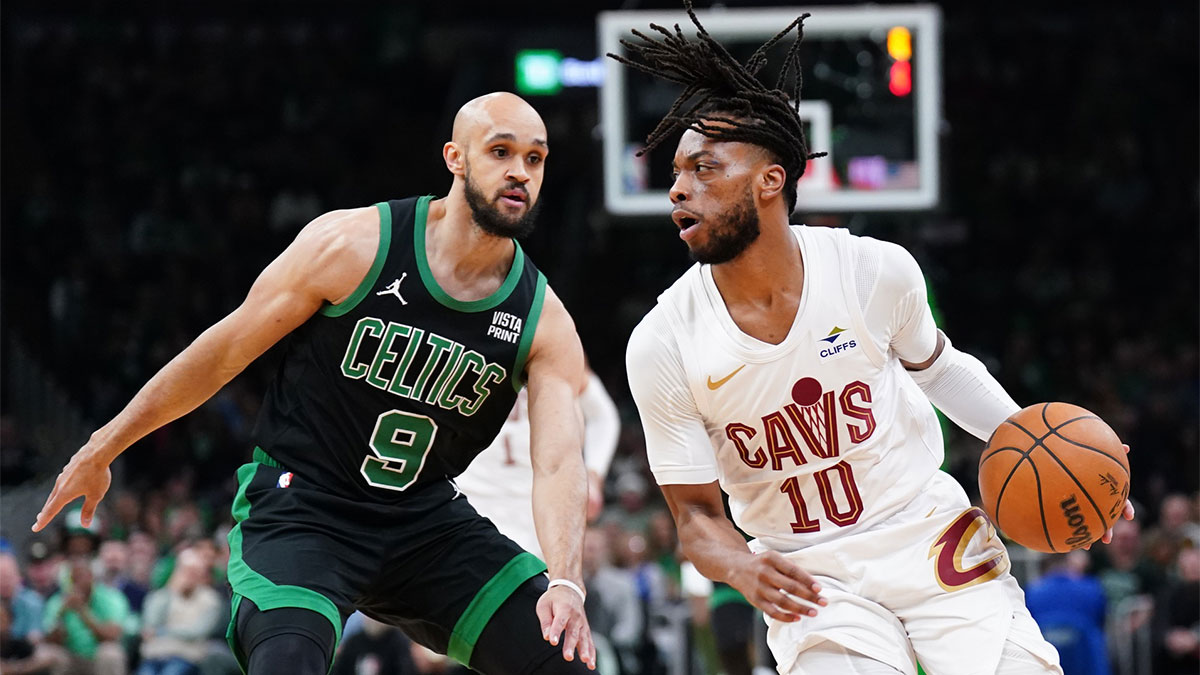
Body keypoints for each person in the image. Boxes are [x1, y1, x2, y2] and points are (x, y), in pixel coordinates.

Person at [616, 4, 1135, 674]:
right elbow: (694, 517)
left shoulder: (873, 271)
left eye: (705, 168)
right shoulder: (661, 341)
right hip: (809, 575)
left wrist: (1056, 449)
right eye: (677, 173)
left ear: (771, 180)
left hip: (928, 534)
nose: (679, 189)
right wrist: (741, 564)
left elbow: (941, 370)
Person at [32, 91, 595, 675]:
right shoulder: (354, 245)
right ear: (455, 158)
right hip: (305, 507)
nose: (519, 173)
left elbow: (557, 461)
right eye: (500, 151)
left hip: (424, 523)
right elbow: (223, 352)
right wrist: (107, 444)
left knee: (562, 659)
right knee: (289, 661)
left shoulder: (543, 319)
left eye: (535, 159)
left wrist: (567, 582)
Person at [455, 368, 620, 559]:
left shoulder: (551, 341)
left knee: (542, 583)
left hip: (536, 500)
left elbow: (601, 414)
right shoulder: (457, 340)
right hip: (469, 495)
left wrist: (593, 474)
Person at [137, 548, 223, 675]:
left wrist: (162, 631)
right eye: (186, 570)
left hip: (185, 656)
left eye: (194, 572)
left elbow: (197, 632)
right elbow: (151, 623)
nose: (189, 576)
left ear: (201, 574)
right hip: (154, 655)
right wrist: (170, 591)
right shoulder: (162, 595)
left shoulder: (210, 599)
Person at [42, 558, 131, 675]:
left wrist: (82, 612)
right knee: (47, 654)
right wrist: (61, 614)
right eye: (74, 579)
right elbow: (50, 640)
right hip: (71, 657)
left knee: (111, 653)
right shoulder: (57, 602)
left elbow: (112, 636)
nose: (78, 582)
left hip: (97, 657)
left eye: (83, 577)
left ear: (92, 578)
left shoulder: (110, 598)